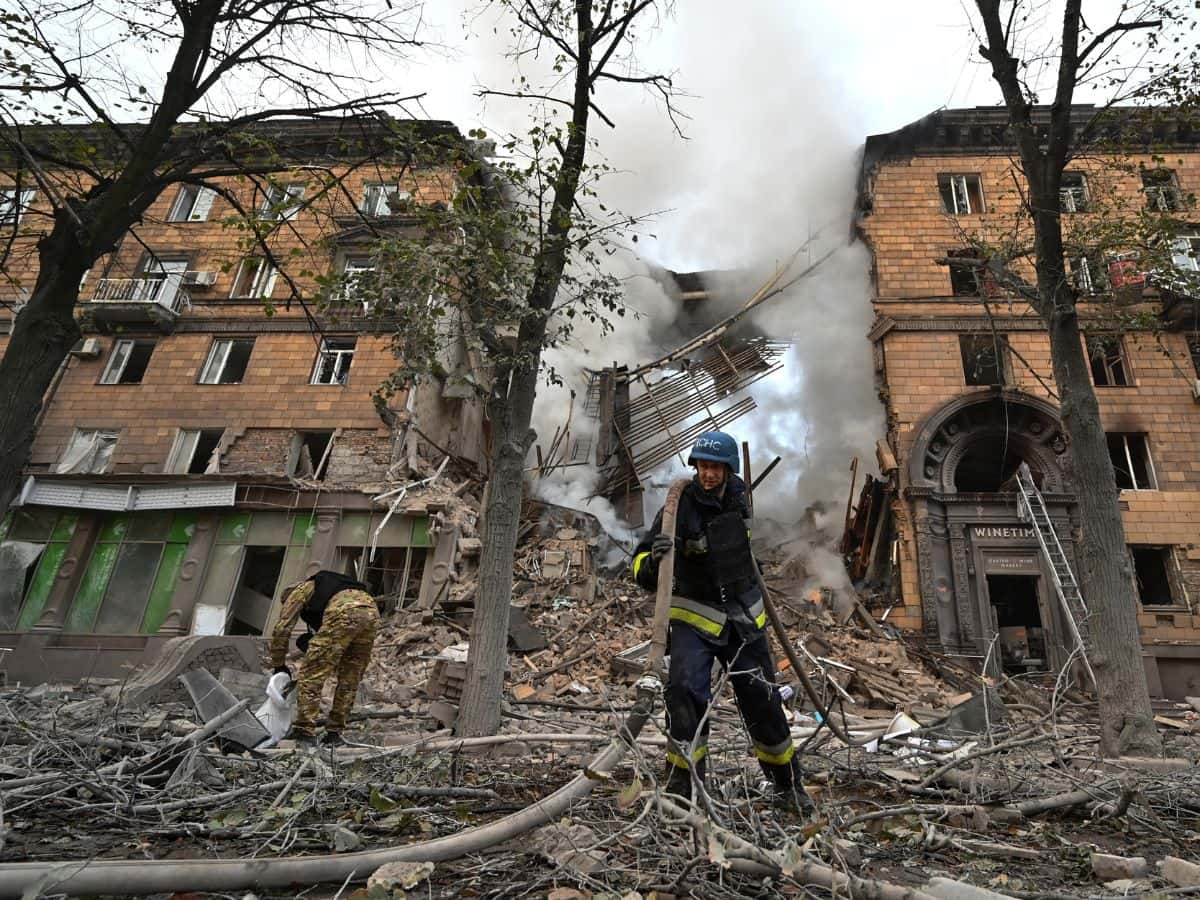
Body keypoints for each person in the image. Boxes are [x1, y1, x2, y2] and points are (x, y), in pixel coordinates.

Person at [632, 431, 812, 814]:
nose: (709, 474)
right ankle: (684, 786)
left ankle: (787, 784)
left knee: (763, 701)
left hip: (743, 622)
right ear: (695, 466)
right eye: (703, 466)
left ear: (728, 470)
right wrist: (653, 560)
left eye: (716, 467)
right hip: (693, 620)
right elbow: (640, 565)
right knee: (683, 693)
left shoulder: (739, 502)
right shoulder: (678, 507)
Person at [269, 570, 380, 746]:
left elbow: (282, 629)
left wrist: (278, 664)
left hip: (344, 611)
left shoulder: (301, 589)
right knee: (350, 678)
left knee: (311, 674)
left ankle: (304, 731)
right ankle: (335, 733)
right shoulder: (331, 588)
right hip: (371, 612)